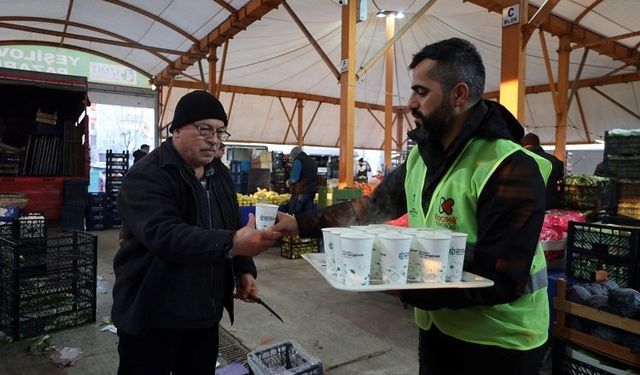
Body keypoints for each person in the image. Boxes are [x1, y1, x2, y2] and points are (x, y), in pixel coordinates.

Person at [274, 38, 551, 375]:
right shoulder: (422, 157)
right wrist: (299, 224)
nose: (410, 103)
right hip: (438, 328)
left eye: (421, 92)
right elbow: (375, 205)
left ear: (459, 95)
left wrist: (391, 282)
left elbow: (502, 277)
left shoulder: (508, 167)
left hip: (500, 340)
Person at [111, 90, 284, 375]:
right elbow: (165, 235)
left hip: (203, 314)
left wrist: (243, 268)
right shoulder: (146, 175)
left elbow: (231, 225)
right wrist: (232, 243)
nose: (214, 139)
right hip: (152, 315)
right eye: (204, 129)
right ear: (176, 130)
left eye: (219, 132)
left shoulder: (219, 174)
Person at [522, 133, 565, 209]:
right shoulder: (555, 161)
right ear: (538, 145)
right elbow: (560, 179)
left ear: (524, 145)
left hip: (529, 207)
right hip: (550, 205)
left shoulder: (521, 159)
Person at [286, 146, 318, 214]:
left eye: (292, 156)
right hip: (311, 191)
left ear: (294, 154)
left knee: (294, 214)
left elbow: (295, 178)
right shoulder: (312, 161)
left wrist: (288, 182)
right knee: (308, 215)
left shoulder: (298, 160)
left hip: (301, 191)